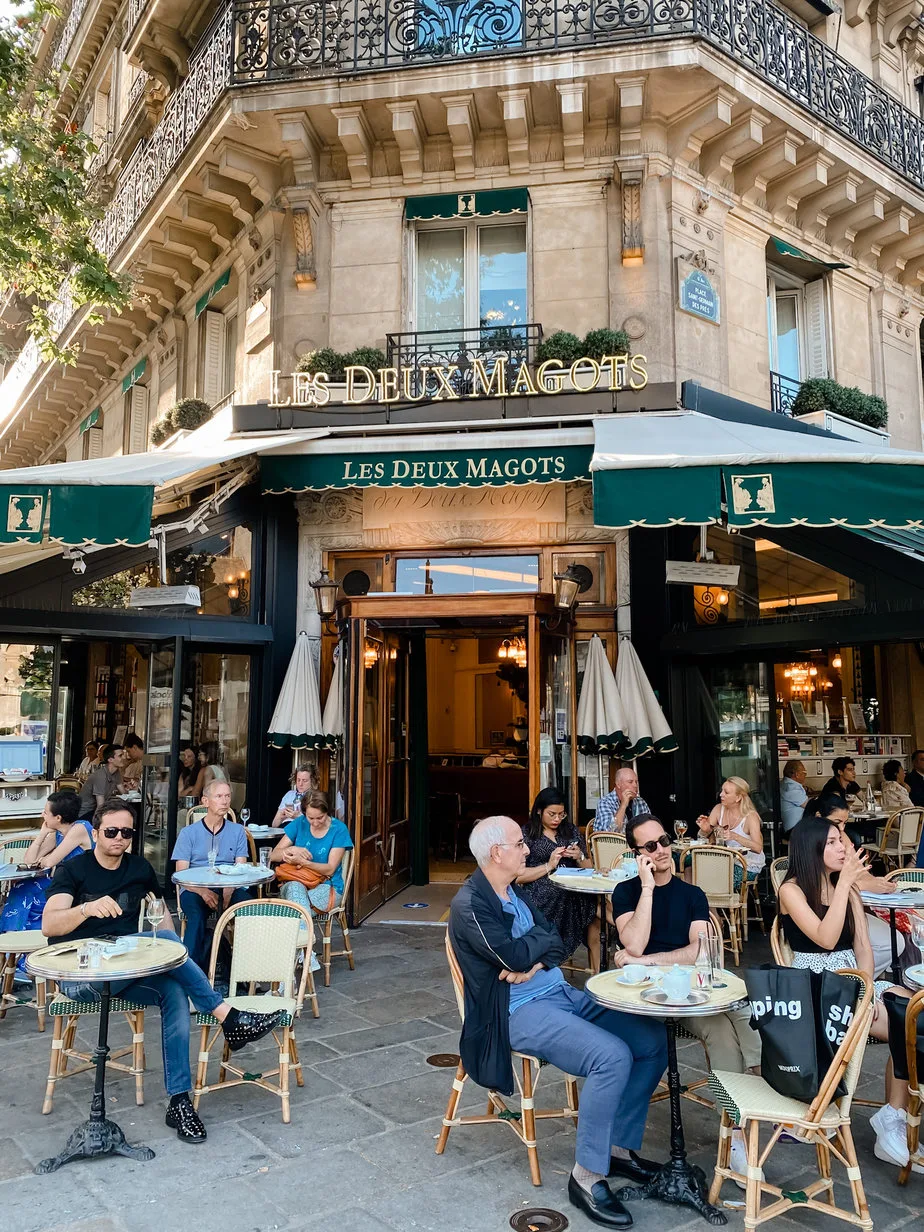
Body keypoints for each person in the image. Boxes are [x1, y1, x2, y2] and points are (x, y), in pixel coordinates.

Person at [449, 815, 667, 1227]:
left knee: (651, 1041)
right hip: (517, 1012)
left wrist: (531, 958)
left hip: (560, 993)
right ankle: (586, 1176)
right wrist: (529, 957)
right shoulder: (471, 904)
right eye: (519, 844)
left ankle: (616, 1147)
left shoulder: (512, 892)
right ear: (497, 853)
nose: (527, 849)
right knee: (612, 1056)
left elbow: (555, 937)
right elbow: (514, 956)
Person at [43, 802, 285, 1145]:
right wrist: (87, 908)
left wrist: (168, 950)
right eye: (111, 832)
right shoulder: (74, 871)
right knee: (172, 945)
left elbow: (162, 918)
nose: (119, 838)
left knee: (173, 990)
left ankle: (180, 1102)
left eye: (126, 832)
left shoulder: (139, 868)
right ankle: (229, 1018)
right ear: (95, 833)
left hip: (126, 970)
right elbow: (49, 924)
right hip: (81, 977)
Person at [611, 812, 760, 1180]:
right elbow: (632, 941)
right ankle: (749, 1118)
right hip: (644, 1000)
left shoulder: (692, 894)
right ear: (637, 854)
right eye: (650, 846)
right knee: (730, 1024)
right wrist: (647, 888)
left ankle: (741, 1125)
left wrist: (646, 960)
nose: (661, 850)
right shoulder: (626, 892)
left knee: (733, 1023)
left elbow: (697, 950)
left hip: (688, 992)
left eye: (663, 840)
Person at [778, 817, 912, 1171]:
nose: (843, 848)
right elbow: (824, 936)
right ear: (812, 850)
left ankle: (893, 1115)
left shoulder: (846, 888)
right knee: (901, 1019)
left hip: (853, 980)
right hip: (815, 986)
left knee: (910, 1011)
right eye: (833, 843)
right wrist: (845, 887)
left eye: (843, 841)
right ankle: (893, 1120)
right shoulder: (791, 890)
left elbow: (863, 947)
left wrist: (866, 992)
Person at [814, 796, 903, 975]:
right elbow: (828, 886)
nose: (841, 830)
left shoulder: (842, 836)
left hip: (850, 906)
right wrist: (861, 884)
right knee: (890, 942)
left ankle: (860, 981)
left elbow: (860, 871)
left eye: (845, 824)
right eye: (837, 822)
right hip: (824, 913)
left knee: (893, 941)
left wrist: (877, 883)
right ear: (818, 816)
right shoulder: (808, 844)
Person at [516, 788, 601, 969]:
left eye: (561, 815)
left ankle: (597, 967)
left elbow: (590, 868)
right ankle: (552, 954)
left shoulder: (569, 830)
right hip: (541, 887)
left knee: (592, 902)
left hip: (575, 885)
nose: (556, 819)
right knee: (566, 897)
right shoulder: (528, 834)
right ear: (539, 811)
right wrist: (549, 865)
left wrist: (579, 856)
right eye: (552, 814)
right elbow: (518, 877)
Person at [270, 790, 352, 972]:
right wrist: (294, 850)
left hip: (328, 886)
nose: (314, 823)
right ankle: (307, 954)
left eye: (320, 818)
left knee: (294, 911)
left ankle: (291, 971)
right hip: (297, 882)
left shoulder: (338, 829)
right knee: (294, 890)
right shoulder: (299, 824)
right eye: (310, 818)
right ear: (304, 812)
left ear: (327, 812)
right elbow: (274, 855)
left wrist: (304, 862)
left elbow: (330, 868)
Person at [171, 780, 250, 968]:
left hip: (229, 887)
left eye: (228, 796)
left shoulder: (238, 830)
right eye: (219, 796)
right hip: (195, 889)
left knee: (249, 911)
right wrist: (203, 892)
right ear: (205, 801)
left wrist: (228, 891)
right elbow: (181, 874)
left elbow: (241, 869)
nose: (224, 801)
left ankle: (245, 972)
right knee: (196, 916)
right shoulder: (188, 833)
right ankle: (189, 972)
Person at [0, 791, 93, 942]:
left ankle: (16, 939)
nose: (42, 815)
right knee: (21, 886)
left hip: (81, 887)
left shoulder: (80, 828)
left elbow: (50, 862)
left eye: (45, 812)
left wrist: (45, 859)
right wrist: (42, 835)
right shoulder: (58, 833)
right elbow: (30, 861)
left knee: (25, 889)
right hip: (63, 883)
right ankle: (14, 938)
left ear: (58, 818)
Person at [696, 776, 766, 887]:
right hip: (725, 862)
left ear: (738, 797)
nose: (721, 794)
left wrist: (735, 836)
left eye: (726, 792)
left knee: (711, 881)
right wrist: (704, 830)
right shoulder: (719, 809)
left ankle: (718, 903)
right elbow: (703, 838)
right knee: (694, 869)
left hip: (747, 865)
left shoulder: (750, 817)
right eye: (722, 790)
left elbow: (758, 848)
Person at [593, 767, 651, 834]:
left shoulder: (641, 802)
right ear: (618, 784)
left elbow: (649, 827)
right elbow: (611, 832)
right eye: (630, 782)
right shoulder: (605, 802)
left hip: (635, 843)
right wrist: (623, 805)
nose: (635, 785)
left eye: (636, 782)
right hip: (612, 843)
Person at [77, 743, 125, 820]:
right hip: (85, 814)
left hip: (96, 810)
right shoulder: (100, 776)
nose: (124, 757)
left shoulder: (116, 772)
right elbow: (100, 806)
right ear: (110, 759)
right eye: (120, 756)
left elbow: (124, 793)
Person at [779, 760, 808, 833]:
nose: (805, 775)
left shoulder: (785, 784)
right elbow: (809, 805)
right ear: (797, 774)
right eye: (804, 772)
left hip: (794, 827)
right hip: (794, 830)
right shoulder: (791, 787)